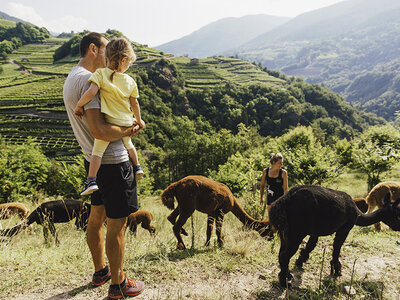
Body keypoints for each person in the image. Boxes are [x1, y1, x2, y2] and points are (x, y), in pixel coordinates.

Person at [63, 32, 144, 299]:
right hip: (113, 164)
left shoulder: (71, 78)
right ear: (93, 49)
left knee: (97, 217)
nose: (110, 58)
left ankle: (101, 271)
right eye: (106, 51)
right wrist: (128, 127)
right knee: (117, 224)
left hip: (93, 162)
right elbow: (99, 129)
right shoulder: (89, 80)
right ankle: (118, 284)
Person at [74, 37, 145, 196]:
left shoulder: (100, 74)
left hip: (111, 122)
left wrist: (79, 105)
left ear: (107, 57)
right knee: (130, 145)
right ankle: (138, 166)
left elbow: (91, 93)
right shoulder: (131, 81)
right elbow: (135, 104)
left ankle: (91, 180)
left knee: (97, 153)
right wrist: (139, 121)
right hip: (127, 121)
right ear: (124, 60)